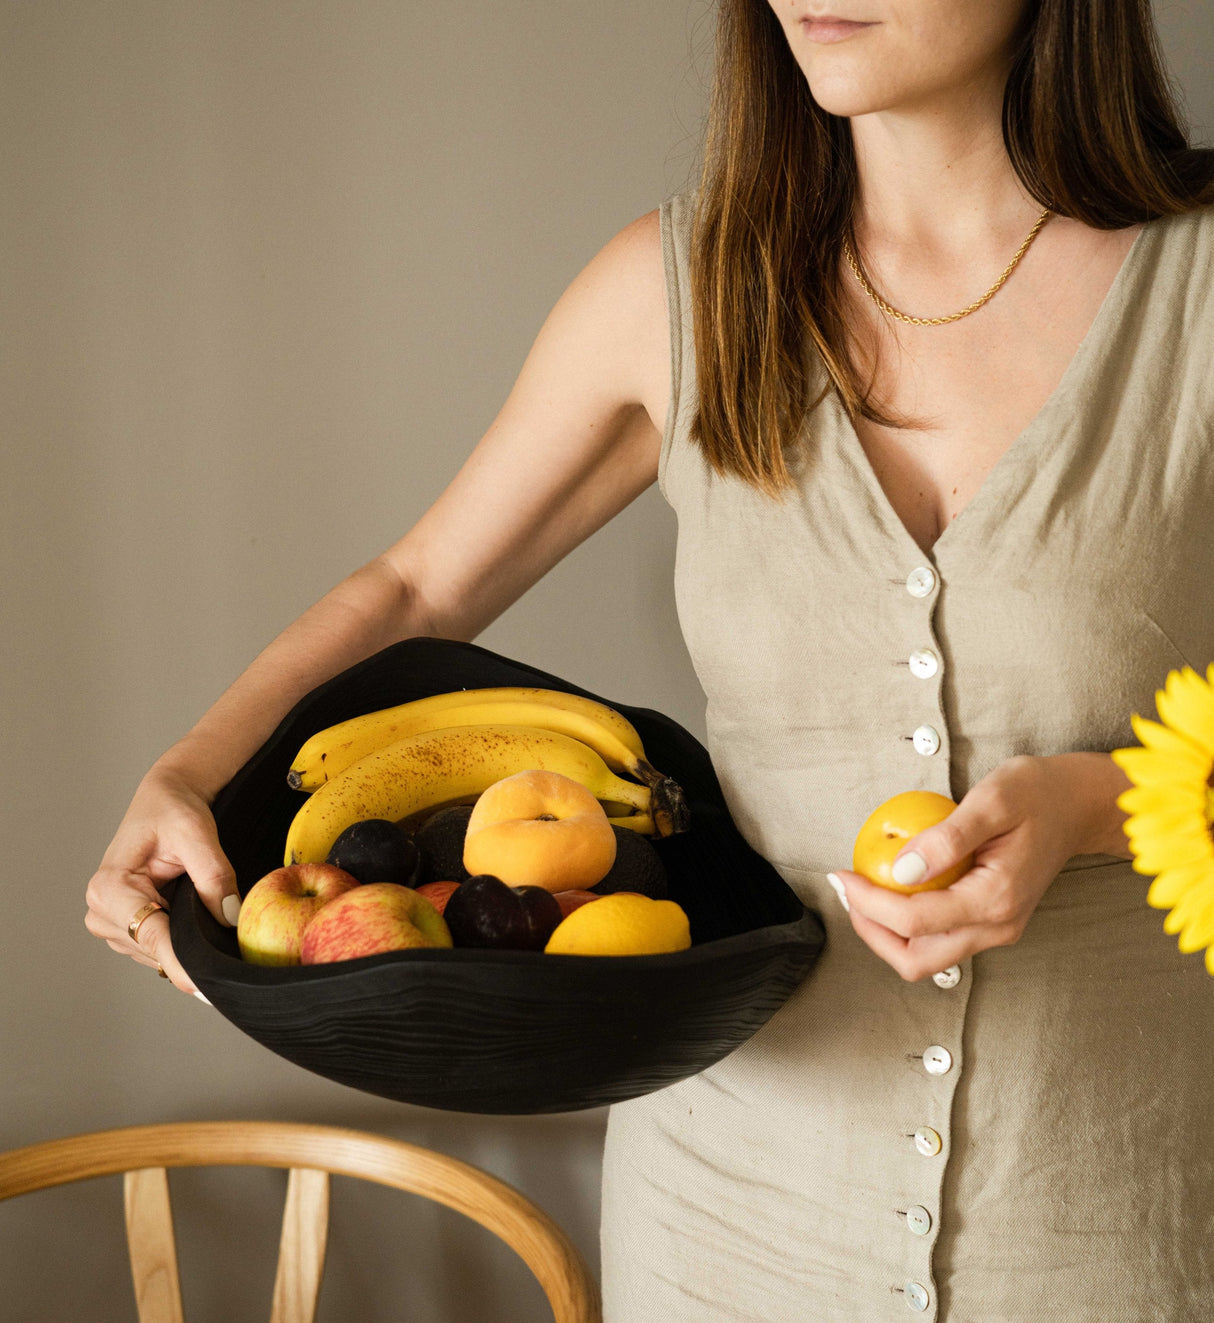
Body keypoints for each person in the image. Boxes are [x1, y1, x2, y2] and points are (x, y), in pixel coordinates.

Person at [87, 0, 1214, 1317]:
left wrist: (1092, 805)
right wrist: (191, 767)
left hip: (1113, 1216)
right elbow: (419, 585)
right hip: (727, 1223)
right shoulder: (674, 291)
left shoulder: (1192, 287)